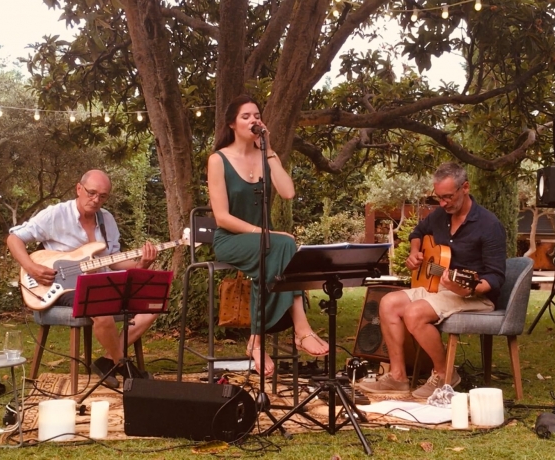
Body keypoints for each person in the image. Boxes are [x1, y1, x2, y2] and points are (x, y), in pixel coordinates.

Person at [357, 163, 507, 399]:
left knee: (414, 313)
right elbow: (417, 232)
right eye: (439, 197)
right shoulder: (440, 216)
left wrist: (467, 289)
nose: (443, 203)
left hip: (476, 295)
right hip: (439, 286)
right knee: (387, 303)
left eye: (448, 197)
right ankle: (397, 377)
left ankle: (444, 373)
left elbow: (495, 277)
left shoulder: (489, 225)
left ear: (465, 188)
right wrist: (415, 252)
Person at [207, 95, 328, 376]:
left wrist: (270, 150)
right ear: (232, 124)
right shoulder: (218, 160)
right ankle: (300, 330)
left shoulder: (265, 157)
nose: (254, 120)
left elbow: (288, 192)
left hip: (268, 244)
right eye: (246, 116)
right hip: (231, 240)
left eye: (257, 115)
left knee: (276, 251)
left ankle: (257, 341)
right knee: (283, 244)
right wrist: (264, 232)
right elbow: (222, 217)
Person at [7, 169, 159, 389]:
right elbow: (14, 239)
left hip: (100, 283)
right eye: (91, 193)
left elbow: (113, 261)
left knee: (152, 304)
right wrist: (32, 268)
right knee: (101, 307)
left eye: (103, 196)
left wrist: (141, 264)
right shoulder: (55, 214)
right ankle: (124, 367)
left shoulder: (107, 219)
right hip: (60, 285)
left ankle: (107, 361)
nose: (96, 200)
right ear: (79, 188)